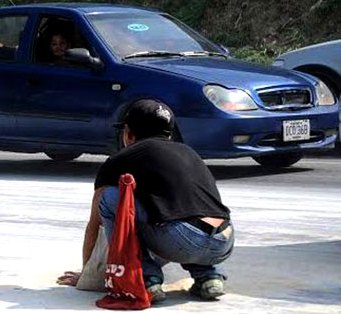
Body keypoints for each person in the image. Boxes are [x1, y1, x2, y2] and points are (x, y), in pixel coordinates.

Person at [58, 99, 234, 302]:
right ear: (169, 133)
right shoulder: (190, 153)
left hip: (182, 240)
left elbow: (95, 224)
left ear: (128, 133)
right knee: (184, 214)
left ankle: (147, 279)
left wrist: (88, 276)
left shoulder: (120, 159)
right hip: (224, 240)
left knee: (111, 198)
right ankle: (209, 277)